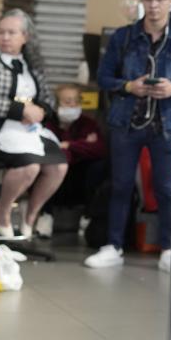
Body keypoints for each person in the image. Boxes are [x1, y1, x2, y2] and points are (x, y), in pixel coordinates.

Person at [85, 0, 171, 271]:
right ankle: (112, 245)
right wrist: (129, 86)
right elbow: (103, 77)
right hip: (126, 122)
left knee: (166, 188)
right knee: (120, 185)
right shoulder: (123, 37)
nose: (154, 5)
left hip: (167, 125)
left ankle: (168, 248)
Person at [0, 8, 68, 239]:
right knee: (30, 166)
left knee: (58, 167)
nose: (5, 38)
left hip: (30, 129)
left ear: (25, 37)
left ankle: (30, 215)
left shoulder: (32, 66)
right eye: (1, 33)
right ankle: (2, 210)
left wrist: (40, 111)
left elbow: (47, 98)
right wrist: (21, 110)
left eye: (12, 33)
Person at [42, 83, 108, 235]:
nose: (72, 105)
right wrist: (83, 145)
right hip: (55, 176)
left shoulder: (88, 123)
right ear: (57, 104)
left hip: (80, 179)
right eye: (67, 101)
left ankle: (87, 216)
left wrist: (68, 145)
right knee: (47, 166)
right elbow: (47, 149)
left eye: (76, 101)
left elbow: (99, 149)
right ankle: (45, 215)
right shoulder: (48, 123)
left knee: (99, 167)